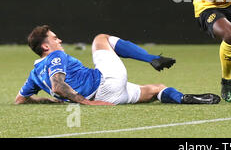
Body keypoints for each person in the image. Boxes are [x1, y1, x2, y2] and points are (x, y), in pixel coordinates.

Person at [15, 25, 220, 105]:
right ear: (45, 46)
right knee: (101, 38)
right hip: (105, 84)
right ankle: (151, 58)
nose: (59, 41)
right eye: (54, 38)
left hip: (112, 96)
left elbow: (20, 100)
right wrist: (88, 103)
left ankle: (182, 98)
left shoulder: (34, 74)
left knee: (157, 89)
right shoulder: (55, 56)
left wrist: (55, 102)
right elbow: (58, 85)